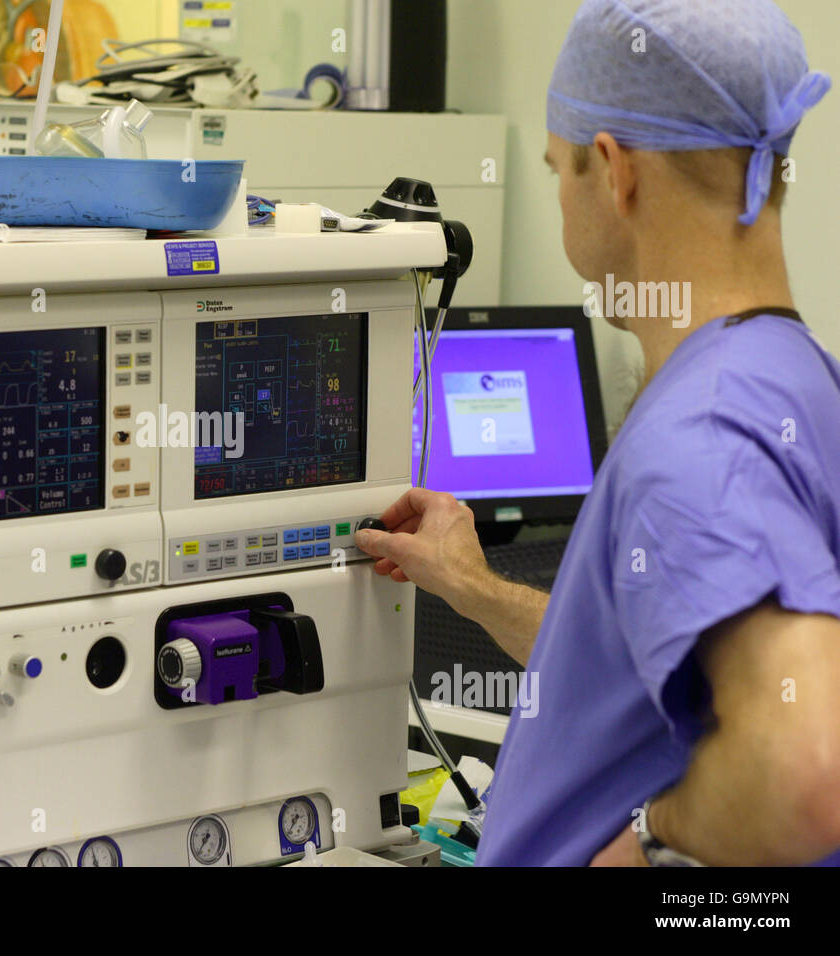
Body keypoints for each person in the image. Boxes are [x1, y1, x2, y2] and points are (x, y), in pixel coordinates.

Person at [356, 0, 839, 866]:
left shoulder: (702, 433)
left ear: (614, 172)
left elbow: (808, 770)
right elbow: (663, 680)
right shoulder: (795, 375)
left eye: (557, 169)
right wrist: (477, 588)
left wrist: (645, 838)